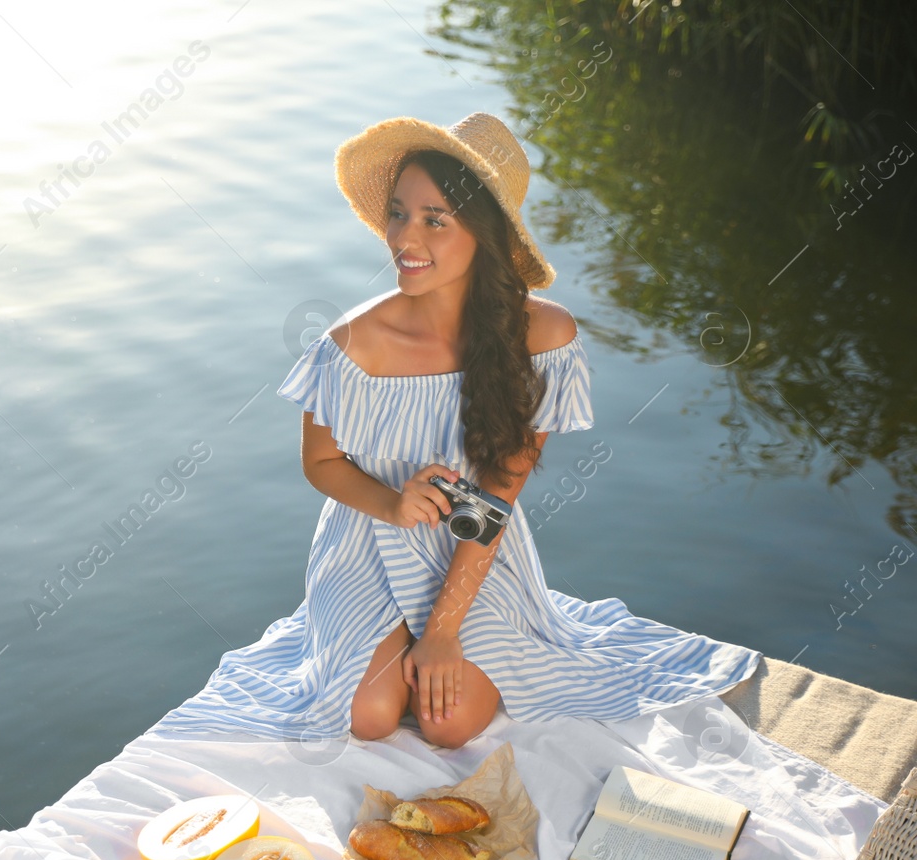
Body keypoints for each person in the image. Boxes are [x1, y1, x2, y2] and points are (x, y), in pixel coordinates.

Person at [162, 112, 760, 749]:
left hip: (471, 543)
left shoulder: (545, 338)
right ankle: (353, 631)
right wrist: (393, 502)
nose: (403, 237)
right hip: (368, 537)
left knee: (447, 725)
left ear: (485, 233)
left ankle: (476, 635)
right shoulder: (352, 343)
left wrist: (445, 628)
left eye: (434, 219)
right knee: (370, 714)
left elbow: (498, 493)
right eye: (398, 213)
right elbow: (322, 464)